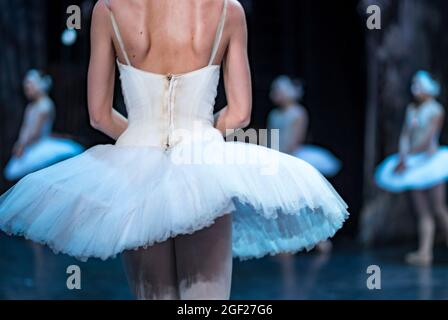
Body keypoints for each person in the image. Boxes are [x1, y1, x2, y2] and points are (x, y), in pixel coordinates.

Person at [0, 0, 348, 300]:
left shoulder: (109, 9)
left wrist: (145, 144)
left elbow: (99, 115)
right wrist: (193, 139)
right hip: (202, 165)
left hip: (135, 168)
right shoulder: (227, 10)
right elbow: (240, 113)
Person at [375, 70, 448, 266]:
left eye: (419, 87)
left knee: (439, 208)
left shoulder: (435, 109)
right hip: (412, 162)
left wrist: (409, 156)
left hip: (430, 162)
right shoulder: (412, 109)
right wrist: (403, 155)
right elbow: (406, 134)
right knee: (423, 210)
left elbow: (428, 137)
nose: (415, 91)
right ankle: (425, 252)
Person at [4, 70, 84, 181]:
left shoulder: (44, 105)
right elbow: (25, 128)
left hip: (38, 144)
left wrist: (22, 145)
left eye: (30, 85)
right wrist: (20, 143)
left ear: (39, 85)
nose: (27, 89)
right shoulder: (31, 106)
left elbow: (35, 132)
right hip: (29, 144)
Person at [268, 75, 341, 178]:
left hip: (292, 153)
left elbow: (297, 138)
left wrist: (284, 154)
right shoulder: (274, 114)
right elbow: (271, 136)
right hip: (276, 152)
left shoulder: (298, 113)